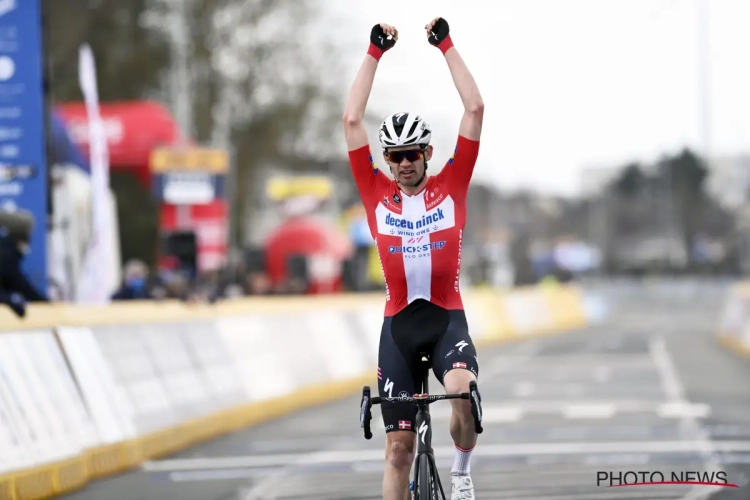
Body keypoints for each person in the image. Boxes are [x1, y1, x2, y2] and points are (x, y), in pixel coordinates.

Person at [342, 17, 484, 500]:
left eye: (412, 155)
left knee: (462, 393)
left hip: (446, 319)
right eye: (395, 155)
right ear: (386, 159)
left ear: (427, 153)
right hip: (398, 326)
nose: (404, 163)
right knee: (398, 451)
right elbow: (351, 121)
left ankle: (462, 471)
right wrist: (373, 51)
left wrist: (444, 44)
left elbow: (475, 107)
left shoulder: (452, 185)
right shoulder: (375, 193)